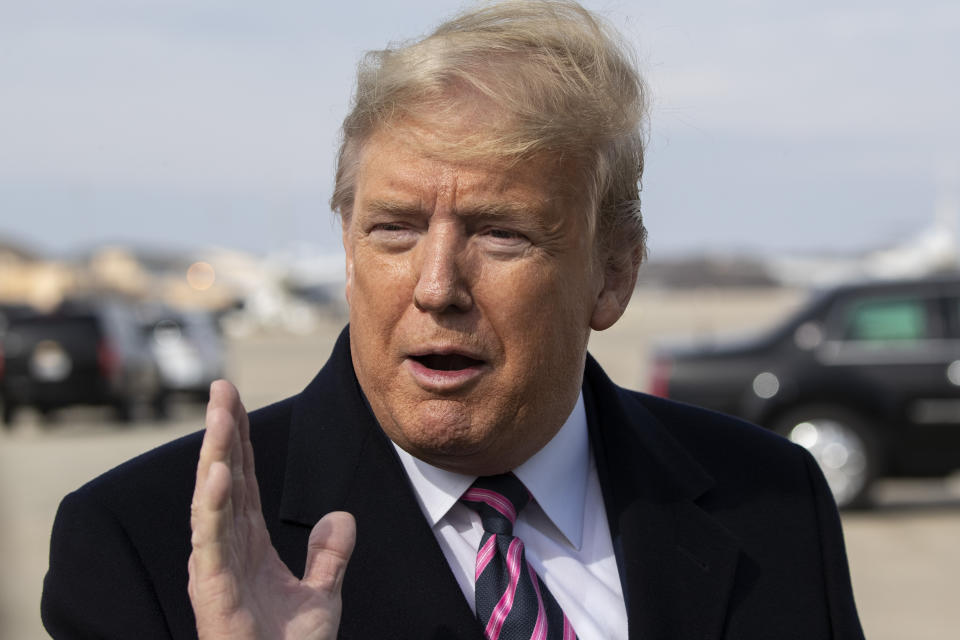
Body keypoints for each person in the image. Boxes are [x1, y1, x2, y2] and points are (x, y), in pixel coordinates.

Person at [41, 1, 865, 638]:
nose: (436, 286)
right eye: (394, 229)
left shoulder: (774, 502)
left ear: (612, 274)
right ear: (347, 242)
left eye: (500, 234)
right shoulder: (143, 544)